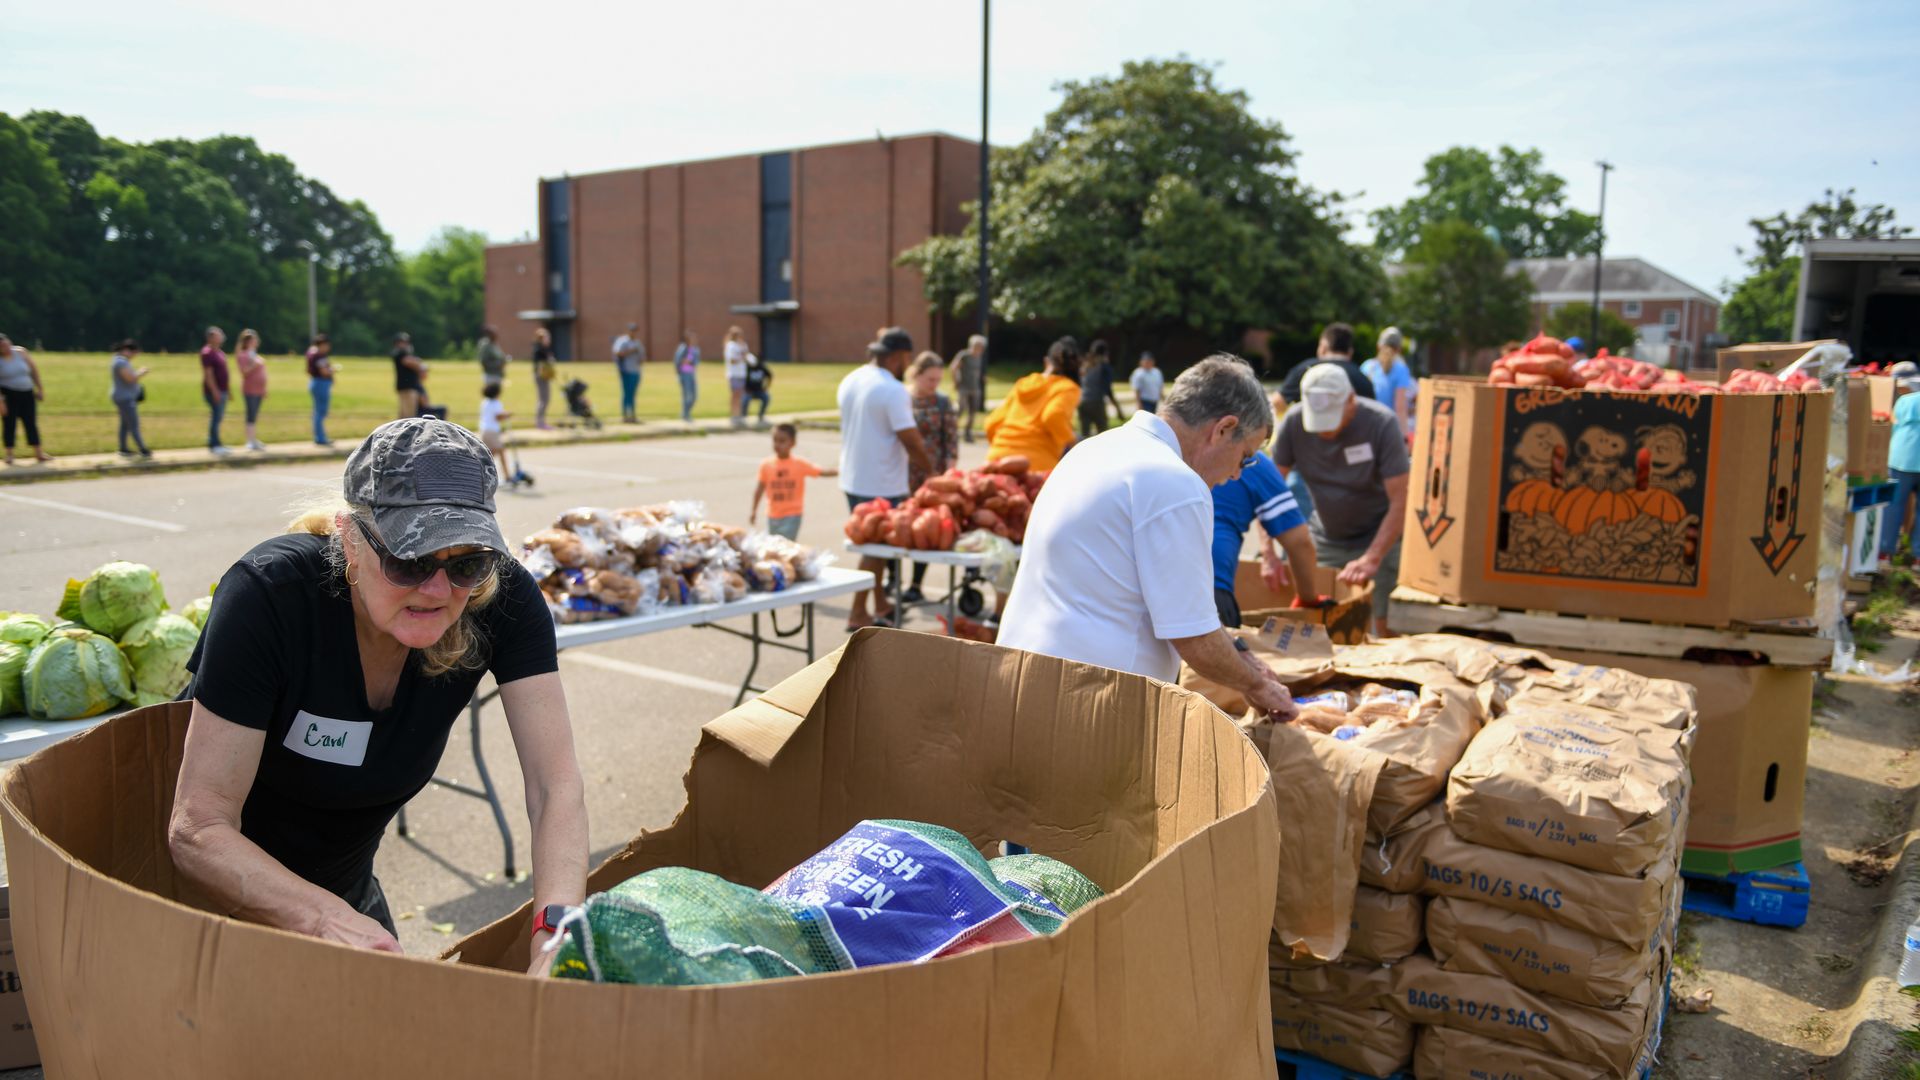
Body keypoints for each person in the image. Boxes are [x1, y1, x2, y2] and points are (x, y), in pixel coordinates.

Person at [170, 417, 588, 966]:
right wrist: (322, 919)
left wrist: (556, 938)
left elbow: (554, 789)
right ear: (349, 536)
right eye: (409, 559)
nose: (437, 588)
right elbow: (197, 827)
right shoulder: (271, 596)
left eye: (466, 561)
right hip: (196, 904)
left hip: (343, 896)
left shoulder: (500, 599)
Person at [996, 355, 1295, 717]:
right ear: (1223, 429)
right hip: (1091, 699)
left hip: (1020, 676)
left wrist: (1240, 653)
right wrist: (1257, 685)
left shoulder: (1094, 448)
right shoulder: (1175, 482)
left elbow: (1171, 605)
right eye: (1245, 457)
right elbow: (1194, 637)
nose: (1236, 475)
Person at [1271, 363, 1411, 639]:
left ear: (1350, 400)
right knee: (1314, 630)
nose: (1324, 431)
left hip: (1377, 541)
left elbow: (1401, 499)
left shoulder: (1381, 423)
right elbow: (1270, 490)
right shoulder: (1294, 423)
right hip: (1324, 540)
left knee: (1376, 630)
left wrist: (1372, 557)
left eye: (1331, 418)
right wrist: (1268, 553)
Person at [838, 328, 934, 630]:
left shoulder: (851, 379)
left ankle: (879, 605)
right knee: (874, 551)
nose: (908, 363)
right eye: (907, 357)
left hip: (854, 477)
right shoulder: (892, 390)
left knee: (874, 549)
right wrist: (931, 474)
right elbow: (911, 440)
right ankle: (857, 612)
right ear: (896, 357)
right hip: (881, 481)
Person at [1209, 451, 1320, 629]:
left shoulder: (1164, 448)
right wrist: (1308, 598)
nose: (1236, 473)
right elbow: (1299, 543)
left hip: (1155, 585)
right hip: (1209, 589)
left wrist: (1268, 551)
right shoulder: (1252, 461)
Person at [902, 351, 959, 603]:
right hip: (901, 472)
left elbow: (951, 439)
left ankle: (915, 583)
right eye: (929, 379)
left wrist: (948, 472)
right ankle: (892, 578)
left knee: (925, 527)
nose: (934, 385)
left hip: (931, 474)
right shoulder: (902, 398)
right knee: (899, 526)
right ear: (916, 374)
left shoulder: (942, 402)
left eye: (937, 380)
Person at [985, 337, 1081, 472]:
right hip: (1036, 464)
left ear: (1046, 362)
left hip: (997, 458)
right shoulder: (1067, 387)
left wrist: (1002, 447)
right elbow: (1053, 416)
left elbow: (992, 422)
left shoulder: (1023, 383)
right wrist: (1073, 442)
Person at [750, 423, 836, 541]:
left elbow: (821, 472)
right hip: (773, 515)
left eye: (782, 441)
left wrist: (841, 471)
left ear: (792, 443)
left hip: (792, 514)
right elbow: (759, 488)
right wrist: (754, 510)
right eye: (775, 440)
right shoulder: (766, 465)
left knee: (786, 546)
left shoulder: (799, 464)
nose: (777, 445)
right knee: (773, 547)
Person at [1277, 323, 1377, 405]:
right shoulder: (1363, 379)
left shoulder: (1306, 369)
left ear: (1323, 347)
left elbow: (1277, 403)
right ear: (1350, 352)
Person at [1880, 368, 1920, 569]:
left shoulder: (1904, 402)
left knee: (1893, 505)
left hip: (1901, 458)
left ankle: (1885, 553)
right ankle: (1918, 558)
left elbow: (1893, 427)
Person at [0, 333, 51, 465]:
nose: (5, 347)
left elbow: (34, 370)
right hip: (8, 395)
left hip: (27, 393)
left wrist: (39, 388)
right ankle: (10, 454)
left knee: (31, 422)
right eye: (1, 346)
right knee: (9, 424)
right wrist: (1, 403)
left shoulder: (21, 352)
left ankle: (39, 453)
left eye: (6, 344)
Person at [1360, 326, 1417, 440]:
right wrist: (1404, 437)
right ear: (1399, 349)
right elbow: (1400, 407)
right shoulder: (1401, 369)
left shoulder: (1366, 366)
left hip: (1365, 428)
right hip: (1388, 430)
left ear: (1378, 346)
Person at [109, 338, 151, 459]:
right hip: (125, 398)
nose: (134, 356)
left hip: (123, 397)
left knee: (125, 424)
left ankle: (123, 449)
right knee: (134, 424)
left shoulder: (119, 360)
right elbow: (130, 379)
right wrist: (141, 372)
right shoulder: (120, 362)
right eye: (134, 353)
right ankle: (143, 449)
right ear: (127, 350)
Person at [1075, 340, 1126, 436]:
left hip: (1082, 402)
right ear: (1105, 353)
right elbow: (1107, 390)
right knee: (1103, 433)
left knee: (1085, 435)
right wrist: (1118, 409)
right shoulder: (1103, 367)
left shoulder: (1084, 364)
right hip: (1096, 402)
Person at [199, 325, 234, 455]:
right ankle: (214, 444)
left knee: (219, 417)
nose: (221, 337)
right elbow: (209, 375)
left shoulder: (220, 352)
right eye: (218, 335)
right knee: (216, 417)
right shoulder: (207, 353)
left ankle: (216, 441)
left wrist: (228, 390)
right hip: (214, 391)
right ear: (211, 338)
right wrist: (215, 391)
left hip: (223, 390)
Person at [234, 328, 269, 451]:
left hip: (259, 390)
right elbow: (244, 372)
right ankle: (249, 440)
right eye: (254, 339)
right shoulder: (243, 355)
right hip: (250, 389)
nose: (257, 341)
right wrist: (255, 364)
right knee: (250, 414)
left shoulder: (254, 354)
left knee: (255, 415)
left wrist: (264, 388)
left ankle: (254, 439)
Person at [951, 333, 988, 442]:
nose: (981, 349)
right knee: (961, 409)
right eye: (979, 346)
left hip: (975, 388)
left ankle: (968, 433)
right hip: (964, 387)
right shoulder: (964, 355)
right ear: (973, 345)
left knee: (973, 412)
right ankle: (952, 431)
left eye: (982, 347)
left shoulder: (979, 357)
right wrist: (956, 381)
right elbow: (953, 368)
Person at [477, 381, 513, 482]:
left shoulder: (485, 402)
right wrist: (506, 415)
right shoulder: (496, 403)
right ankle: (507, 476)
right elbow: (498, 417)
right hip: (492, 431)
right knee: (500, 452)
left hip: (484, 430)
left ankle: (483, 472)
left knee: (489, 453)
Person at [612, 322, 645, 423]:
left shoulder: (638, 343)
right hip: (625, 370)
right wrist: (630, 351)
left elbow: (642, 358)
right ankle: (625, 416)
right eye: (631, 330)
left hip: (636, 370)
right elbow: (617, 353)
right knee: (626, 393)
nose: (633, 332)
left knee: (633, 394)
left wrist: (639, 356)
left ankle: (633, 416)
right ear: (628, 331)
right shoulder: (622, 341)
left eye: (635, 330)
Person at [307, 333, 335, 446]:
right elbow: (324, 371)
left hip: (315, 382)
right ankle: (320, 437)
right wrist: (332, 370)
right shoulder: (319, 355)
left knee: (317, 411)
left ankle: (319, 436)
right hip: (321, 383)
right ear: (322, 344)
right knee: (320, 412)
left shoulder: (311, 353)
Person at [393, 332, 426, 419]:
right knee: (409, 415)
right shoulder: (400, 354)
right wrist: (420, 365)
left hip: (408, 386)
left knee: (405, 414)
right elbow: (409, 362)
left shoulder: (403, 353)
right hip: (407, 387)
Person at [723, 326, 751, 427]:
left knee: (740, 396)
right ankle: (733, 416)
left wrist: (744, 351)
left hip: (741, 374)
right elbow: (732, 360)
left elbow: (748, 357)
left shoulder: (742, 345)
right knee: (735, 395)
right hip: (734, 374)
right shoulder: (731, 346)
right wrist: (742, 357)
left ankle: (739, 415)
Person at [531, 327, 557, 430]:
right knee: (543, 400)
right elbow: (541, 366)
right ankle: (540, 422)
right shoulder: (539, 350)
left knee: (545, 399)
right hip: (541, 377)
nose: (549, 340)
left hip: (545, 377)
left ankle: (541, 422)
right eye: (547, 338)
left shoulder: (544, 350)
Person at [674, 330, 701, 422]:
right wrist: (685, 361)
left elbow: (696, 362)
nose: (693, 340)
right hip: (684, 374)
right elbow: (678, 361)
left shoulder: (695, 349)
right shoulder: (682, 348)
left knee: (694, 396)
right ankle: (685, 414)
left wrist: (688, 361)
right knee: (686, 395)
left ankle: (686, 411)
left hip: (692, 374)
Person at [742, 348, 773, 425]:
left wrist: (766, 387)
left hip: (759, 391)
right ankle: (744, 417)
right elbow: (741, 379)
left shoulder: (761, 367)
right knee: (745, 399)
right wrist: (744, 389)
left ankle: (761, 415)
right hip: (748, 391)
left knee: (766, 397)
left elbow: (770, 376)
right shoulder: (747, 368)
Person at [476, 325, 509, 390]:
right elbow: (484, 361)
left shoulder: (495, 345)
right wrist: (498, 364)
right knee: (491, 394)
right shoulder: (486, 346)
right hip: (490, 375)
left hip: (498, 374)